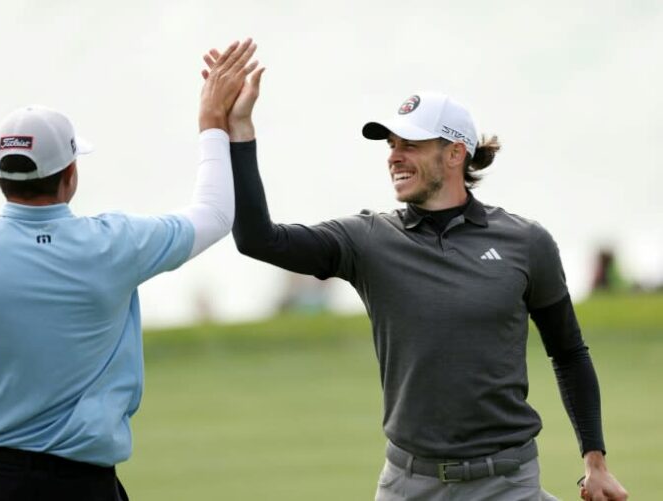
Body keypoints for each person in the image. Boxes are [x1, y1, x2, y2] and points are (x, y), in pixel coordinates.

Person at [202, 50, 628, 500]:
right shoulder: (367, 240)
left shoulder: (525, 242)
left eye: (410, 145)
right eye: (391, 145)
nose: (395, 157)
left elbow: (568, 352)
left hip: (508, 484)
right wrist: (239, 131)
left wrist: (594, 461)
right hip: (408, 486)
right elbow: (257, 239)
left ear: (455, 153)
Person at [0, 39, 258, 501]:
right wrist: (214, 123)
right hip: (85, 486)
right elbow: (214, 214)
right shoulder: (116, 243)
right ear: (71, 174)